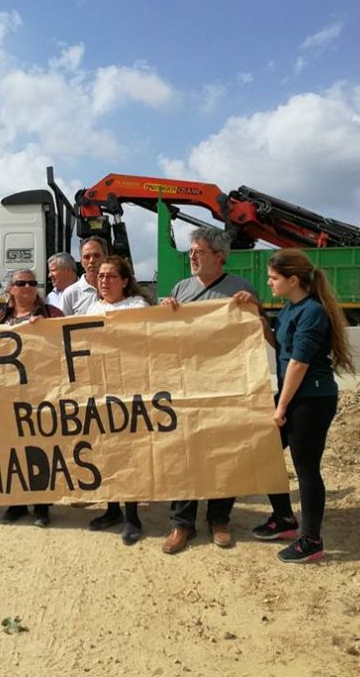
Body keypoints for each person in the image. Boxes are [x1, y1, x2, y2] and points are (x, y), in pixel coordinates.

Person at [234, 249, 354, 563]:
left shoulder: (312, 312)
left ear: (293, 280)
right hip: (294, 395)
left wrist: (280, 407)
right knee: (265, 450)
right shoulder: (291, 308)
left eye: (273, 278)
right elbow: (281, 344)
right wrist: (257, 315)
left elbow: (299, 363)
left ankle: (311, 540)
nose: (269, 282)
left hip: (312, 399)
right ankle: (285, 519)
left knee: (306, 467)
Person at [160, 228, 261, 553]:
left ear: (220, 256)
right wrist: (166, 312)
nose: (192, 256)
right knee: (186, 452)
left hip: (225, 384)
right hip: (186, 385)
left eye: (199, 251)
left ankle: (219, 518)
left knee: (223, 452)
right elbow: (167, 336)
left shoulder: (240, 289)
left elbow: (257, 335)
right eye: (191, 251)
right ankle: (181, 523)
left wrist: (253, 308)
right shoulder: (181, 288)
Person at [84, 256, 153, 546]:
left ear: (125, 281)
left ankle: (132, 516)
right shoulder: (92, 308)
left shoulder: (138, 306)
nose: (104, 281)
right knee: (106, 450)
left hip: (129, 388)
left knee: (128, 452)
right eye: (100, 276)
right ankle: (112, 509)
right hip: (100, 388)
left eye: (111, 276)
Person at [0, 268, 63, 528]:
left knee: (40, 447)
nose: (28, 287)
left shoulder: (52, 315)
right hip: (9, 393)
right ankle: (17, 502)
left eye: (33, 283)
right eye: (21, 283)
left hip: (41, 391)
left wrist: (48, 330)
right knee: (12, 447)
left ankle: (42, 505)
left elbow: (65, 346)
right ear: (10, 288)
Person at [60, 237, 107, 316]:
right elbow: (60, 325)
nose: (91, 261)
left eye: (96, 255)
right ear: (81, 261)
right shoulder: (71, 294)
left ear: (105, 257)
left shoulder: (117, 290)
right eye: (87, 257)